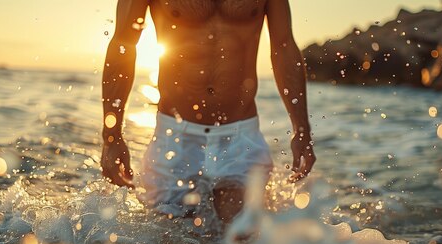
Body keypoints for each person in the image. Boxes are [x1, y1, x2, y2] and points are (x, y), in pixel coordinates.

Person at [101, 0, 315, 222]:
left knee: (242, 242)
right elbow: (123, 44)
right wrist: (111, 136)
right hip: (175, 138)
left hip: (240, 138)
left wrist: (302, 130)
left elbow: (283, 46)